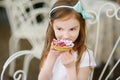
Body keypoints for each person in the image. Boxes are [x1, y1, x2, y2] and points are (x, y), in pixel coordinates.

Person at [38, 0, 96, 80]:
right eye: (59, 29)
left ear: (80, 26)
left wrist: (70, 68)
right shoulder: (50, 49)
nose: (66, 36)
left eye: (72, 29)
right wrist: (51, 57)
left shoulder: (84, 55)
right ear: (51, 24)